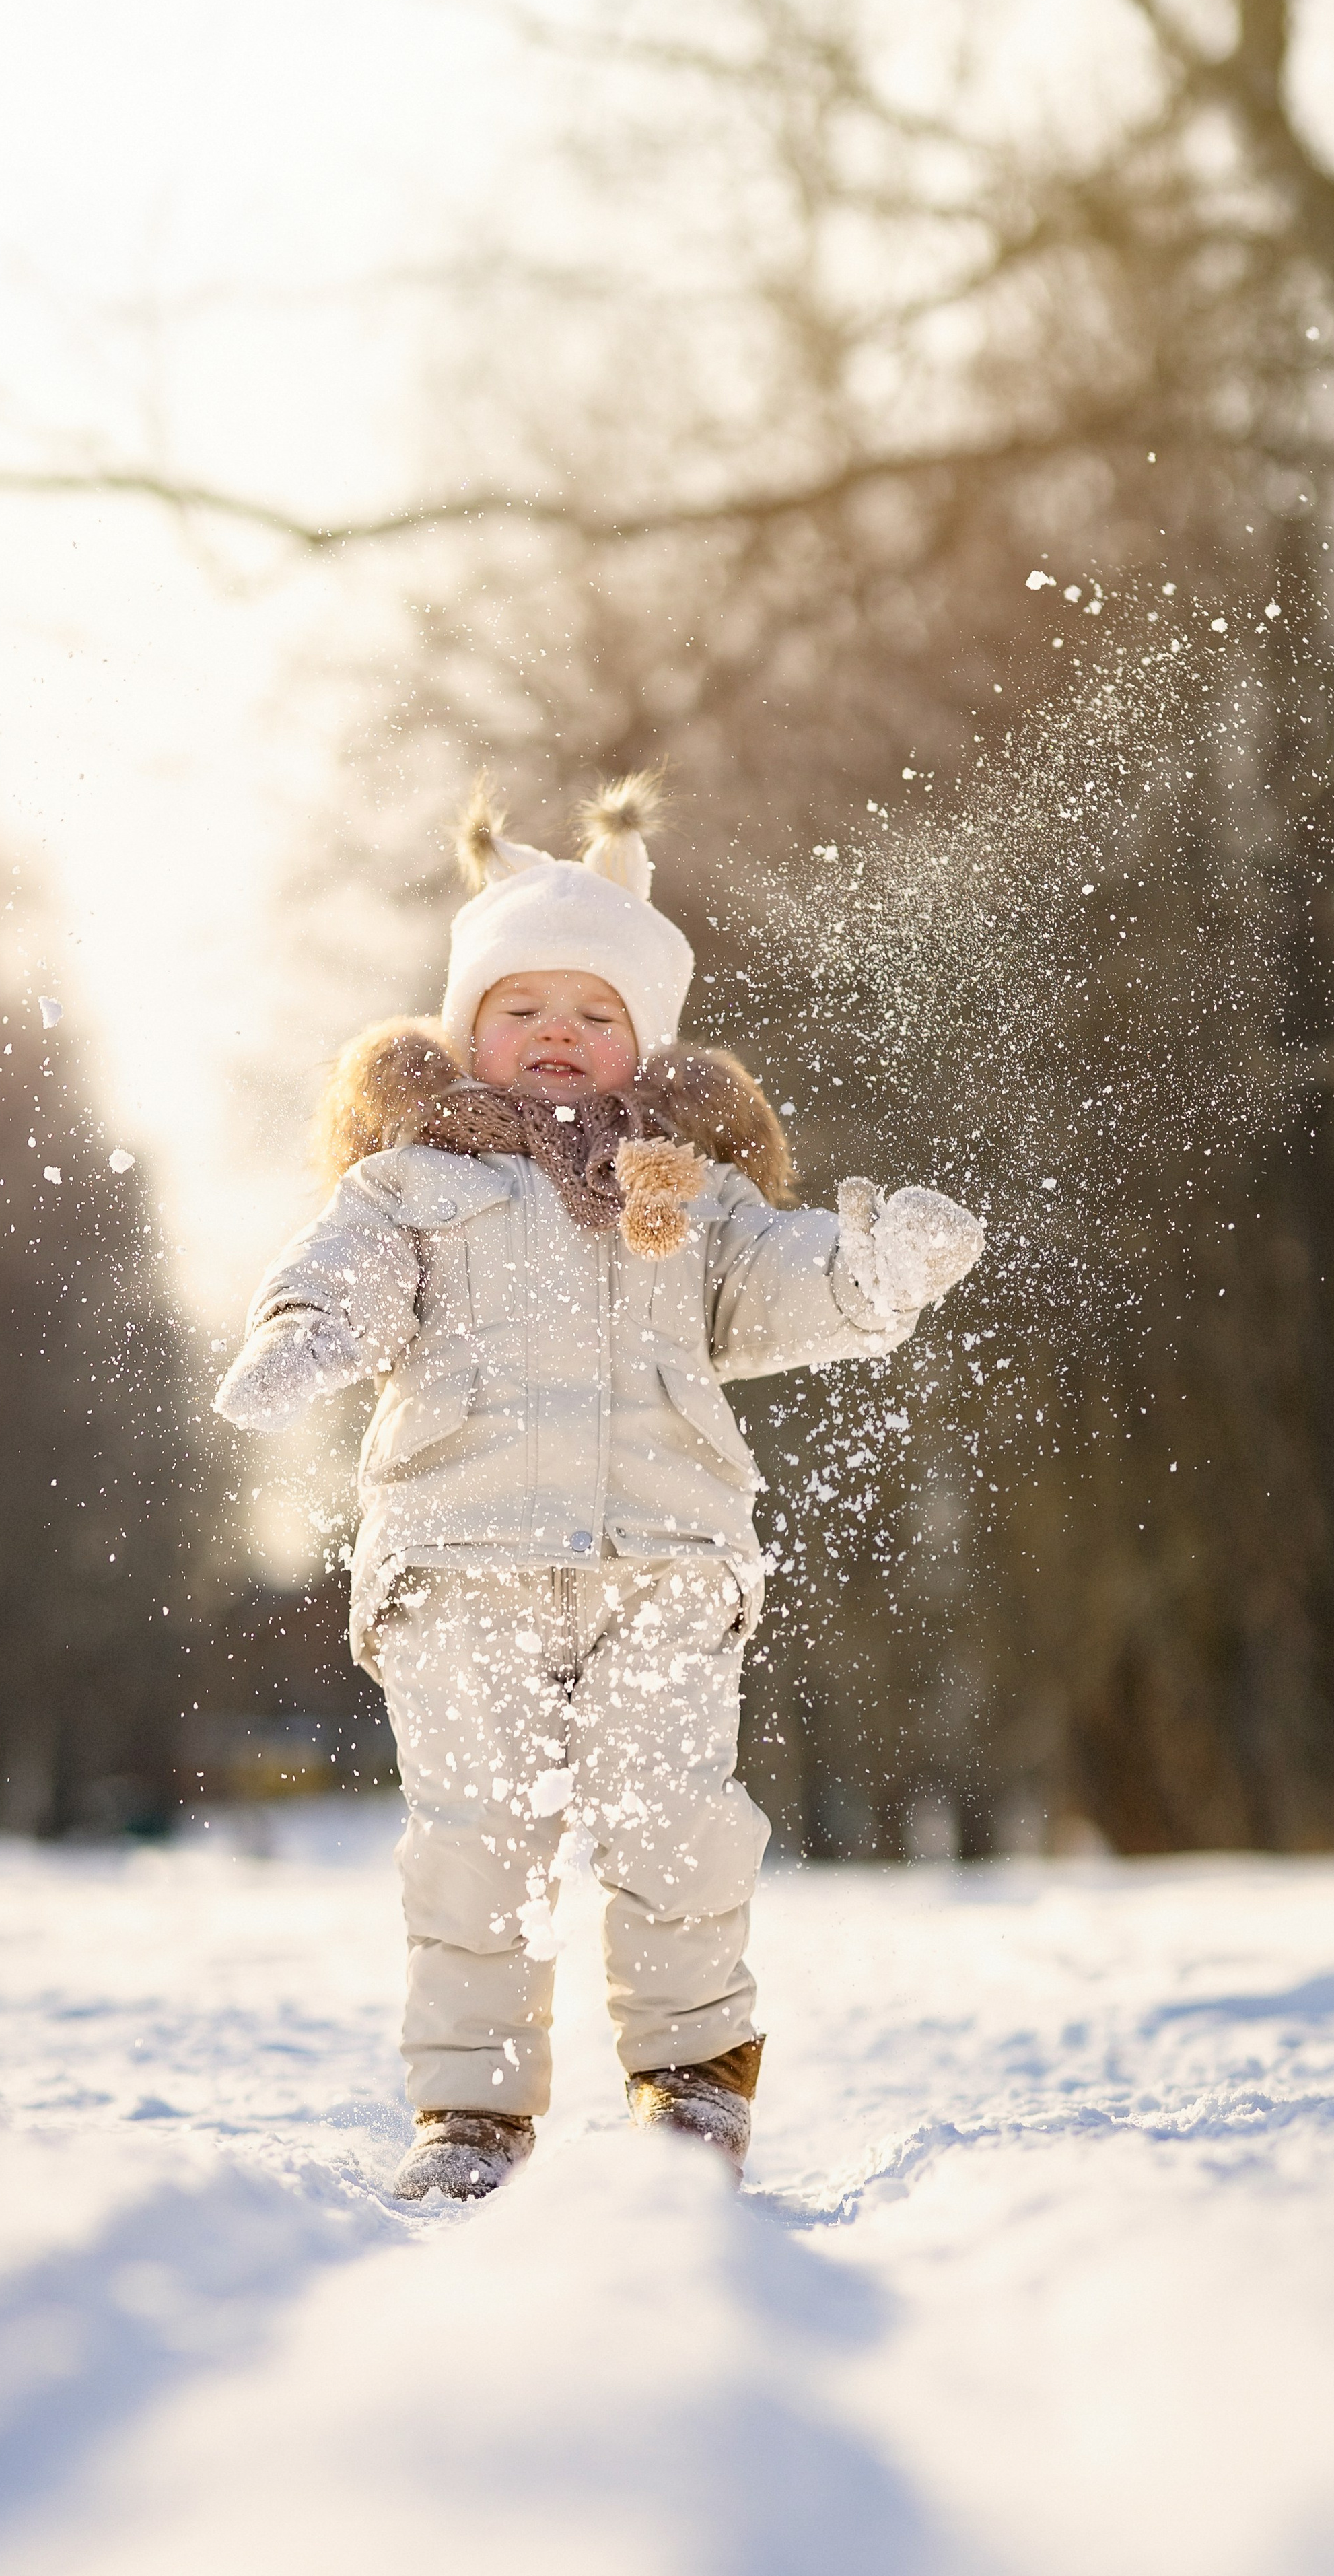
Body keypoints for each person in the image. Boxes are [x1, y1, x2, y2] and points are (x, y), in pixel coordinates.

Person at [214, 775, 984, 2200]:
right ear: (465, 1030)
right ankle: (471, 2115)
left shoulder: (688, 1197)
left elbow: (777, 1284)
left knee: (674, 1820)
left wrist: (872, 1273)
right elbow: (348, 1279)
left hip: (666, 1561)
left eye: (591, 1012)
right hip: (462, 1562)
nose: (556, 1034)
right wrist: (301, 1335)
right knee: (473, 1842)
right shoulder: (411, 1185)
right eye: (521, 1009)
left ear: (641, 1039)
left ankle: (690, 2085)